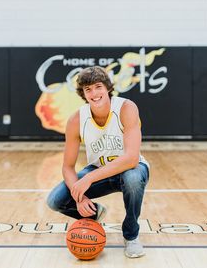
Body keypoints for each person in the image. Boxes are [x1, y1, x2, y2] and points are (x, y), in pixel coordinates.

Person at [47, 66, 150, 258]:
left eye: (98, 87)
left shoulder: (126, 108)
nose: (94, 93)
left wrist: (88, 179)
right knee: (55, 201)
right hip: (98, 171)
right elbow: (67, 166)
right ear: (83, 94)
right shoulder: (76, 120)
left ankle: (131, 234)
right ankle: (94, 213)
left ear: (108, 88)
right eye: (88, 89)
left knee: (133, 179)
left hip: (129, 169)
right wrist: (80, 198)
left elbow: (131, 158)